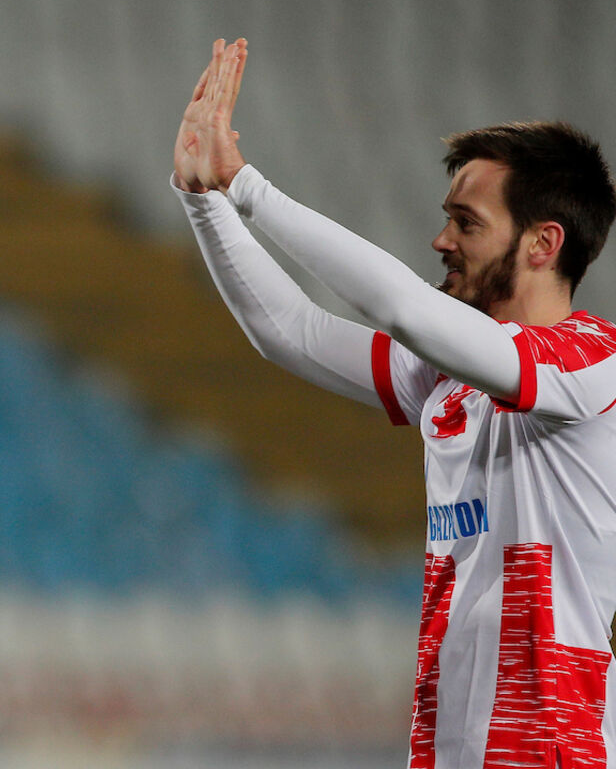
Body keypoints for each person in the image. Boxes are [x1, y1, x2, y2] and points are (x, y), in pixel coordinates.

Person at [174, 39, 616, 767]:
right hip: (443, 745)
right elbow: (292, 331)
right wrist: (203, 199)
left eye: (467, 223)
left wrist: (246, 186)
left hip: (547, 748)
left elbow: (403, 309)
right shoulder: (449, 376)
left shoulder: (591, 366)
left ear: (544, 243)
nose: (441, 240)